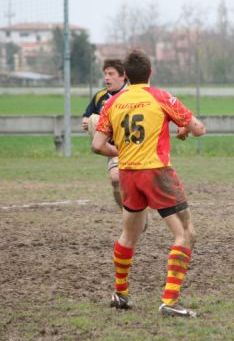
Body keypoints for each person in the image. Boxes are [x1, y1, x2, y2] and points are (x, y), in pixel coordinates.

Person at [92, 49, 206, 317]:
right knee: (186, 234)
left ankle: (120, 293)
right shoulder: (161, 97)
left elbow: (97, 145)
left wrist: (122, 151)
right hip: (157, 173)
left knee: (129, 235)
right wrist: (185, 128)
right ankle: (170, 300)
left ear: (126, 76)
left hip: (128, 174)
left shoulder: (112, 104)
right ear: (150, 73)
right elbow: (199, 128)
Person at [82, 59, 129, 211]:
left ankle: (137, 211)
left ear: (123, 76)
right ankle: (127, 212)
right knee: (116, 178)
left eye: (111, 74)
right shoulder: (100, 97)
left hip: (135, 145)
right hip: (113, 147)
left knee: (140, 184)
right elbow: (87, 117)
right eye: (105, 74)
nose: (107, 78)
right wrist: (88, 123)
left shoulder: (133, 95)